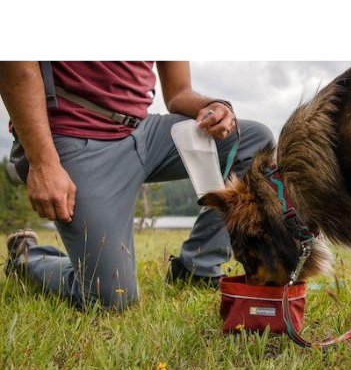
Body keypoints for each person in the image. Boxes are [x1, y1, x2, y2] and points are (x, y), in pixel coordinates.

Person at [0, 61, 273, 309]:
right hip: (76, 135)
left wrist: (214, 106)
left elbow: (179, 93)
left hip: (144, 133)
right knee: (111, 297)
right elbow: (16, 66)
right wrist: (42, 161)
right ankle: (27, 257)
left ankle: (198, 267)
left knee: (253, 140)